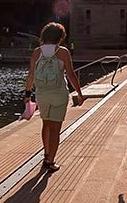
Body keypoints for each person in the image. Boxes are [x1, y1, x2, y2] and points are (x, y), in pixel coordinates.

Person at [24, 22, 84, 172]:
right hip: (58, 93)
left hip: (42, 94)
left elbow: (31, 75)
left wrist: (27, 94)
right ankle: (51, 161)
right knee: (56, 129)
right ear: (60, 37)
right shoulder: (62, 52)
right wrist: (79, 92)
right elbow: (70, 75)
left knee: (46, 125)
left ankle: (46, 155)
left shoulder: (37, 52)